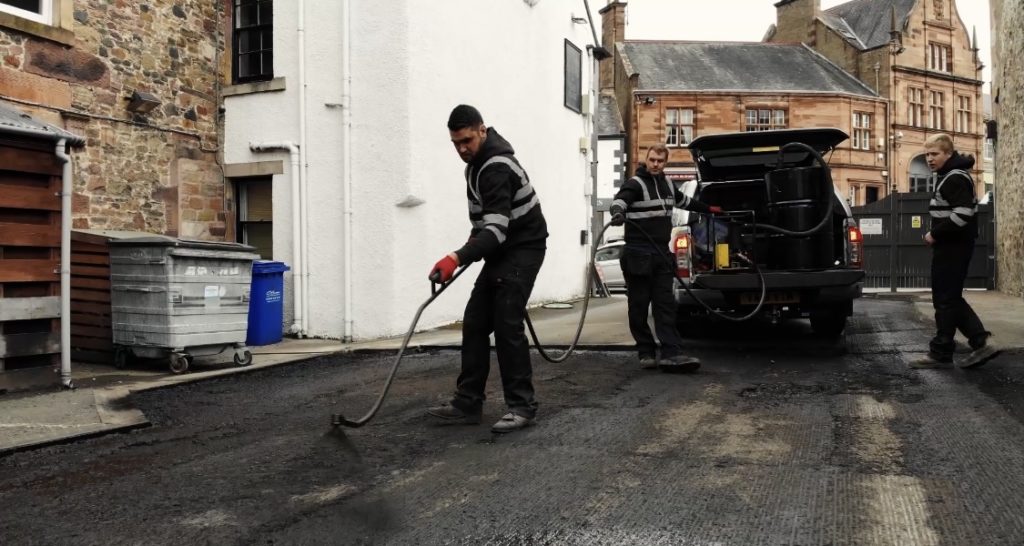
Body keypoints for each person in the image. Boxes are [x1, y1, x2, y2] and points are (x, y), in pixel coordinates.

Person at [426, 105, 548, 433]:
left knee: (507, 322)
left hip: (524, 248)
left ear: (482, 130)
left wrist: (455, 258)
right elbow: (483, 226)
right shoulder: (475, 167)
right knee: (476, 322)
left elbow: (495, 230)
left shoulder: (495, 166)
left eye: (467, 140)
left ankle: (522, 407)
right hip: (501, 249)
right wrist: (469, 248)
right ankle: (467, 404)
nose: (462, 148)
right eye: (456, 143)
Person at [609, 144, 721, 371]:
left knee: (665, 306)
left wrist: (710, 209)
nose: (655, 164)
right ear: (646, 159)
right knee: (639, 306)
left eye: (660, 161)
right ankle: (646, 351)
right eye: (652, 160)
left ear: (665, 163)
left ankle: (672, 353)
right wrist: (618, 212)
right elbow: (620, 200)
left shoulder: (668, 185)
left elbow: (686, 202)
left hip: (661, 254)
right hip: (638, 255)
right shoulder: (635, 184)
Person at [912, 133, 1000, 369]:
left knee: (945, 299)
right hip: (952, 245)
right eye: (927, 154)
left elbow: (963, 213)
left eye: (935, 154)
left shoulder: (954, 178)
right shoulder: (950, 175)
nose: (929, 159)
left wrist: (935, 234)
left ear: (948, 154)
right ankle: (979, 343)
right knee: (949, 298)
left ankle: (942, 351)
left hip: (954, 246)